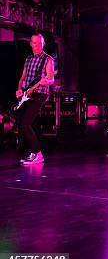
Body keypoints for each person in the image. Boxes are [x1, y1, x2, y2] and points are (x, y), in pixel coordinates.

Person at [15, 33, 55, 165]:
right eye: (34, 43)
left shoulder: (48, 59)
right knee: (23, 124)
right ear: (30, 44)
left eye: (39, 43)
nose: (37, 45)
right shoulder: (28, 59)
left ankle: (38, 154)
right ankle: (33, 152)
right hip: (27, 94)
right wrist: (20, 89)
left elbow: (51, 78)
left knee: (26, 124)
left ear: (43, 44)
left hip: (40, 94)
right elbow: (22, 78)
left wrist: (45, 82)